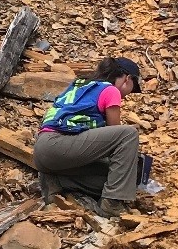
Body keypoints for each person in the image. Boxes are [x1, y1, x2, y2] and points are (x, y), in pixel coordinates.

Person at [33, 57, 144, 218]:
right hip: (59, 144)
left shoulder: (81, 85)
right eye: (132, 89)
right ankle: (112, 203)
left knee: (118, 178)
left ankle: (57, 182)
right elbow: (117, 133)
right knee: (129, 135)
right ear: (127, 79)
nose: (128, 95)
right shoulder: (111, 90)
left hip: (44, 151)